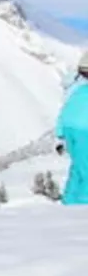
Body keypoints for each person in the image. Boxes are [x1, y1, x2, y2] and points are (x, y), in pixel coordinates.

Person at [58, 52, 88, 206]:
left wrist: (60, 134)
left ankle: (69, 204)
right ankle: (82, 210)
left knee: (78, 168)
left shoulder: (76, 87)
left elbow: (64, 108)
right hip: (85, 129)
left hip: (70, 128)